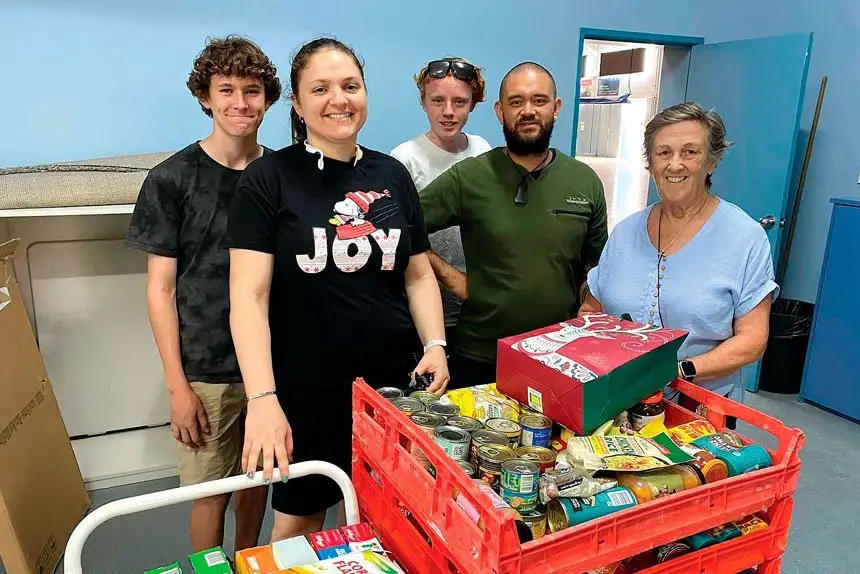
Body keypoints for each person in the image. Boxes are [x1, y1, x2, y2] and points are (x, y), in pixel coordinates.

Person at [223, 37, 450, 542]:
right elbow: (248, 298)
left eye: (350, 86)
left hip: (392, 386)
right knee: (301, 521)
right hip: (305, 391)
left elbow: (417, 274)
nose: (338, 99)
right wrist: (262, 399)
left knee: (391, 514)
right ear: (298, 105)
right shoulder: (268, 179)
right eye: (320, 88)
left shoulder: (391, 175)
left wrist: (435, 343)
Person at [125, 36, 281, 551]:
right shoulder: (171, 180)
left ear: (269, 98)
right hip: (206, 369)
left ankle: (250, 560)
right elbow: (160, 289)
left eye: (252, 90)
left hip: (272, 362)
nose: (241, 103)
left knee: (260, 481)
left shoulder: (280, 175)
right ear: (205, 97)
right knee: (211, 492)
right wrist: (177, 386)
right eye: (227, 90)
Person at [579, 102, 778, 419]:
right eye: (664, 153)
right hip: (617, 401)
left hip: (698, 409)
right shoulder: (625, 232)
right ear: (650, 163)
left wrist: (677, 370)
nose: (675, 164)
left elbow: (752, 340)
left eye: (690, 152)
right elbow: (592, 309)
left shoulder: (744, 238)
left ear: (711, 161)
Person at [419, 62, 608, 389]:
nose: (528, 111)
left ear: (556, 107)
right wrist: (455, 280)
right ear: (499, 111)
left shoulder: (584, 181)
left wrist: (590, 299)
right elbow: (405, 226)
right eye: (516, 102)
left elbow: (597, 264)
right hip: (479, 358)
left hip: (557, 359)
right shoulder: (470, 177)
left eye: (539, 100)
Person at [391, 58, 492, 331]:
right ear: (423, 102)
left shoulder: (482, 150)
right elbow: (401, 238)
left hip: (477, 301)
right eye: (437, 101)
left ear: (473, 103)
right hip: (425, 300)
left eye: (459, 102)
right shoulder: (404, 159)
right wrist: (451, 278)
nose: (448, 112)